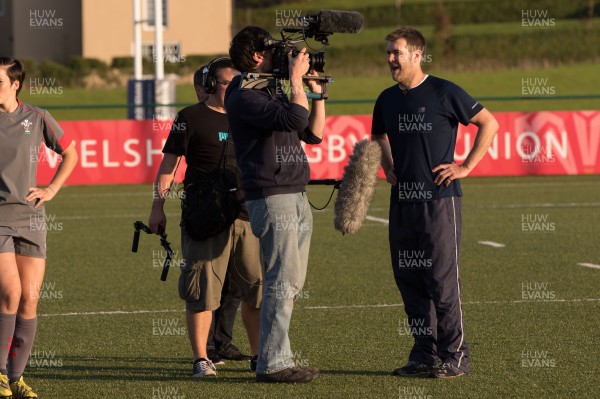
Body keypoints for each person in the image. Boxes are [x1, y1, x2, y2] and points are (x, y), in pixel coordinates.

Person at [371, 27, 499, 378]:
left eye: (396, 53)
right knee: (409, 280)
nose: (390, 59)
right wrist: (388, 166)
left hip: (439, 203)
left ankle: (456, 358)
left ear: (417, 55)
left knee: (442, 282)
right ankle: (423, 355)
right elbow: (377, 135)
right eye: (388, 53)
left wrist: (466, 166)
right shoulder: (386, 98)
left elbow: (489, 122)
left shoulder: (444, 91)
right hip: (403, 203)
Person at [148, 57, 262, 377]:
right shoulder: (190, 117)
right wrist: (157, 208)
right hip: (206, 216)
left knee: (256, 289)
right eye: (227, 83)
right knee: (202, 291)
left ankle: (259, 355)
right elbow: (168, 168)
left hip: (248, 216)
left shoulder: (251, 117)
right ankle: (202, 359)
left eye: (240, 82)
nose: (235, 88)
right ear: (211, 84)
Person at [225, 26, 325, 383]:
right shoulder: (242, 93)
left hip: (294, 190)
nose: (284, 57)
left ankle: (274, 358)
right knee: (281, 280)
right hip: (272, 193)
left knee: (291, 281)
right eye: (273, 50)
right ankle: (273, 363)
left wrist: (318, 94)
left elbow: (312, 133)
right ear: (255, 56)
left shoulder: (269, 90)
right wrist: (296, 82)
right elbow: (295, 118)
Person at [0, 57, 78, 398]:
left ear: (16, 84)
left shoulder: (37, 116)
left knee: (30, 300)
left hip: (31, 218)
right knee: (10, 294)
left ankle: (16, 379)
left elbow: (70, 154)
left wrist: (51, 188)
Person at [192, 64, 252, 365]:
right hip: (211, 210)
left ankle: (223, 341)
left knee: (238, 283)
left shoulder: (245, 115)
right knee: (207, 284)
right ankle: (205, 351)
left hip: (243, 209)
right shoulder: (194, 118)